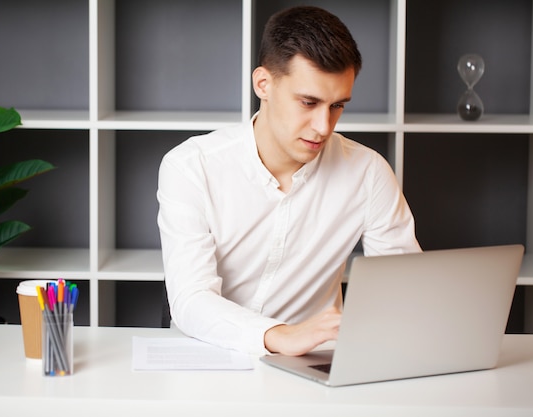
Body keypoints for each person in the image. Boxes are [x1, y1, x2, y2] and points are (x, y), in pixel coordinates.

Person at [157, 5, 421, 356]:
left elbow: (404, 289)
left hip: (315, 361)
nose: (323, 127)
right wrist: (279, 336)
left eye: (337, 106)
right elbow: (191, 300)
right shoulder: (190, 166)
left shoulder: (368, 172)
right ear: (263, 84)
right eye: (308, 102)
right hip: (211, 353)